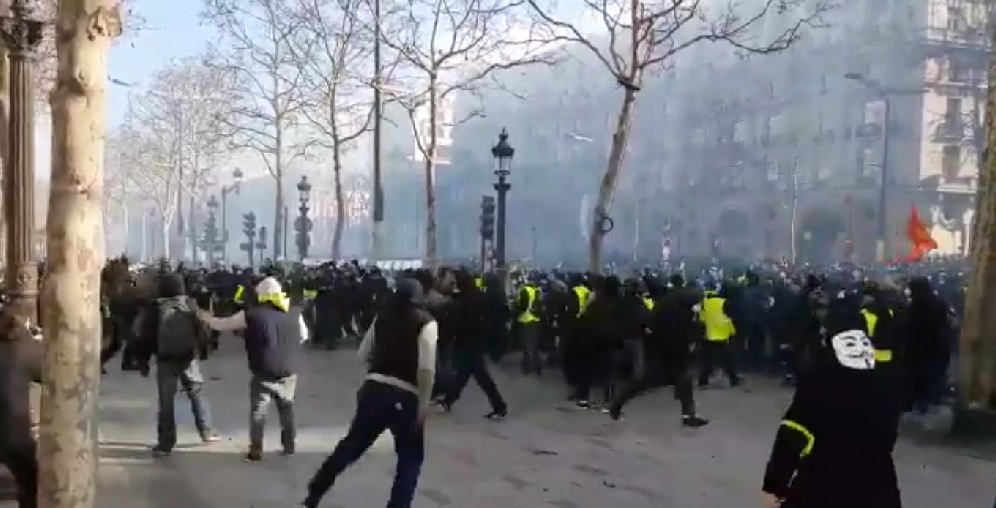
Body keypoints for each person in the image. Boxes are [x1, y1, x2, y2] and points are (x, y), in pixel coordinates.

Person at [301, 277, 437, 508]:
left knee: (352, 445)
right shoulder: (426, 322)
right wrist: (424, 402)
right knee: (410, 458)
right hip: (407, 395)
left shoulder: (382, 317)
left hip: (374, 389)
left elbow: (362, 353)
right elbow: (426, 368)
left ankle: (314, 493)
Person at [761, 294, 901, 508]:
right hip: (877, 487)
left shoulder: (819, 382)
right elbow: (888, 437)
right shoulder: (886, 383)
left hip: (822, 485)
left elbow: (792, 435)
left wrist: (775, 486)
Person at [199, 275, 309, 462]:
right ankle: (289, 446)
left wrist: (205, 317)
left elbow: (222, 324)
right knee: (287, 409)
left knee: (259, 411)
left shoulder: (250, 314)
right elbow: (303, 336)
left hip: (263, 371)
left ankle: (256, 451)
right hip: (288, 372)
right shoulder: (294, 312)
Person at [132, 272, 218, 457]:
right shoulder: (190, 305)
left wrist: (143, 361)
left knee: (166, 402)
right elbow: (202, 330)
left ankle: (165, 444)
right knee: (196, 393)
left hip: (165, 360)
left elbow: (145, 336)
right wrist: (203, 351)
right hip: (188, 358)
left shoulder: (155, 308)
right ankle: (206, 432)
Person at [0, 306, 42, 508]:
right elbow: (46, 372)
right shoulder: (22, 347)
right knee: (32, 483)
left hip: (11, 433)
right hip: (14, 435)